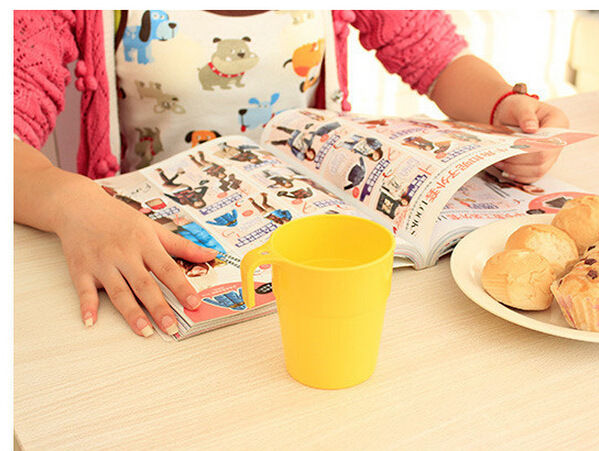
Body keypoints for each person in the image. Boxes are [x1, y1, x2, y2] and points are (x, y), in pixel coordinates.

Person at [14, 10, 569, 337]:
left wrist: (502, 109)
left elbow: (438, 57)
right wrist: (73, 202)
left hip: (314, 260)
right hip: (157, 259)